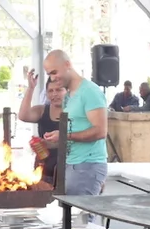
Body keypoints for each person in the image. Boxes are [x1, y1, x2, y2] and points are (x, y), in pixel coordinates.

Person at [42, 50, 108, 196]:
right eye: (49, 74)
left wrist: (63, 135)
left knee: (80, 211)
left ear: (67, 64)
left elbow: (100, 131)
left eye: (54, 72)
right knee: (71, 210)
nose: (52, 78)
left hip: (87, 165)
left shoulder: (90, 91)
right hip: (72, 165)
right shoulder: (68, 97)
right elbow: (72, 134)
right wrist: (49, 143)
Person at [18, 68, 66, 187]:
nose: (54, 94)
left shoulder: (76, 112)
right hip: (43, 171)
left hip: (68, 171)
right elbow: (23, 115)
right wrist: (31, 88)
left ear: (67, 91)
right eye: (50, 91)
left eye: (59, 90)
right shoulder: (42, 110)